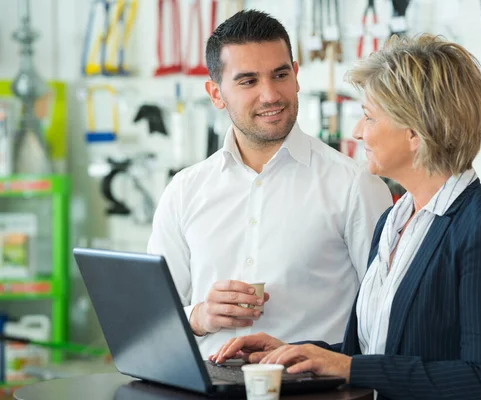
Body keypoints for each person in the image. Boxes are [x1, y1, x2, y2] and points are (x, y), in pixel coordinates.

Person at [210, 34, 481, 400]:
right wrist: (292, 352)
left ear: (415, 131)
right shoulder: (393, 221)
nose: (357, 131)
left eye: (369, 117)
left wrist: (348, 367)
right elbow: (375, 354)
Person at [147, 10, 392, 357]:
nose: (270, 95)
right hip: (207, 388)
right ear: (216, 94)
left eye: (280, 75)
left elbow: (388, 317)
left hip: (315, 392)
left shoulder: (356, 186)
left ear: (296, 75)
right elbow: (152, 318)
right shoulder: (184, 191)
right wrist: (200, 316)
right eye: (248, 81)